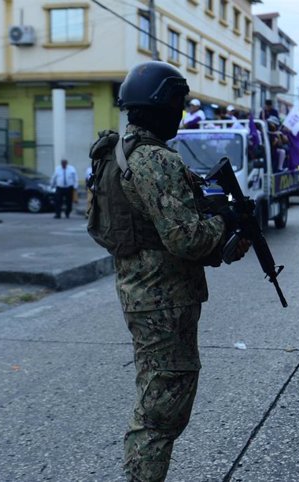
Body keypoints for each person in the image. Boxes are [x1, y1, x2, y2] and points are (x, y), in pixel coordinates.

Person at [112, 61, 249, 481]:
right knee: (160, 413)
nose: (182, 113)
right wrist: (226, 225)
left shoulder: (119, 153)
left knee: (156, 397)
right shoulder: (156, 160)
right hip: (163, 300)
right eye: (178, 105)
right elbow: (186, 238)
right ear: (159, 107)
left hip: (142, 291)